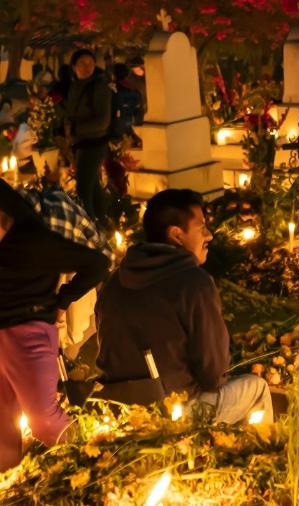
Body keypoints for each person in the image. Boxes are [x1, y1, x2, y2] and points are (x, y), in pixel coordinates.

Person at [96, 189, 272, 424]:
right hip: (174, 412)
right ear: (177, 235)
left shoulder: (114, 282)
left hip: (119, 410)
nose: (208, 236)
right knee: (256, 389)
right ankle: (254, 456)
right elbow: (212, 374)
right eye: (201, 228)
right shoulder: (193, 283)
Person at [0, 179, 110, 471]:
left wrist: (63, 300)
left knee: (44, 419)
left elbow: (98, 263)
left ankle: (93, 464)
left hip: (27, 332)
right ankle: (8, 481)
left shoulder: (33, 241)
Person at [65, 49, 112, 221]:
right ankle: (105, 221)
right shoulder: (74, 86)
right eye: (83, 63)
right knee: (93, 187)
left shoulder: (100, 88)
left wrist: (76, 129)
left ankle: (89, 227)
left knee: (84, 189)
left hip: (93, 143)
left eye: (91, 63)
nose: (87, 67)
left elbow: (103, 121)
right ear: (74, 66)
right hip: (80, 143)